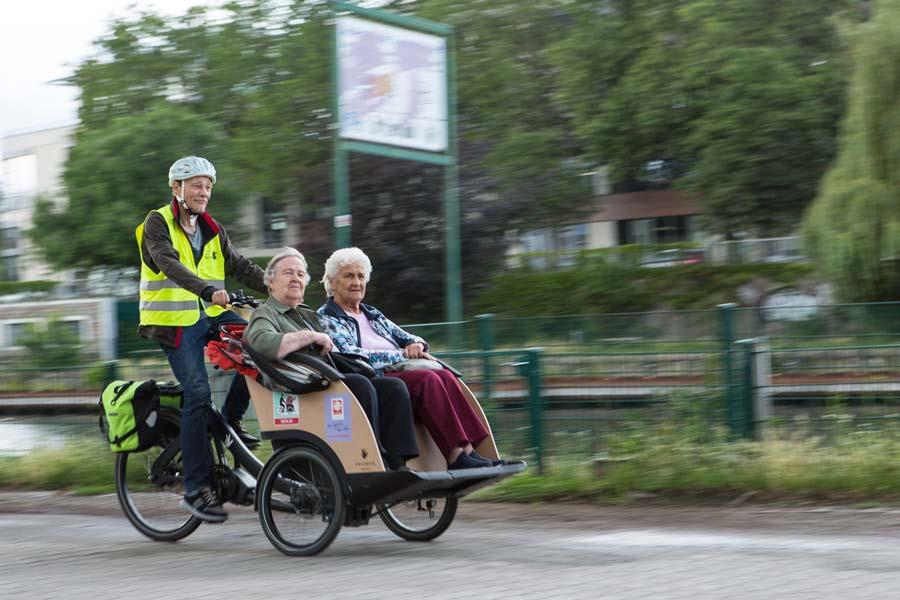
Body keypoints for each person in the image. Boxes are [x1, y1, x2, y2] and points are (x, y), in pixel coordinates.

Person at [136, 156, 266, 523]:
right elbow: (168, 264)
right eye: (196, 184)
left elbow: (239, 265)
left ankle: (231, 421)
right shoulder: (157, 222)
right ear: (177, 188)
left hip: (207, 315)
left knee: (259, 346)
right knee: (196, 393)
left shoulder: (211, 227)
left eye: (208, 186)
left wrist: (279, 283)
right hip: (172, 322)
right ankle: (195, 489)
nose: (204, 192)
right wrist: (209, 290)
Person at [317, 247, 502, 470]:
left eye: (360, 276)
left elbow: (409, 337)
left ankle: (470, 451)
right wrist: (401, 354)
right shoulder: (328, 316)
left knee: (446, 376)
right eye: (348, 276)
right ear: (332, 282)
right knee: (428, 379)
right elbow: (350, 353)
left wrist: (416, 345)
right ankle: (455, 457)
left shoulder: (372, 314)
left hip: (403, 370)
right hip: (374, 375)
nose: (356, 282)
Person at [243, 247, 418, 470]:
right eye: (288, 273)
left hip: (326, 380)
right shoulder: (265, 313)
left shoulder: (306, 314)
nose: (296, 278)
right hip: (302, 387)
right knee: (361, 386)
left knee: (393, 387)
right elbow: (263, 343)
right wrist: (310, 336)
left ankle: (398, 463)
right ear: (270, 282)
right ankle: (373, 460)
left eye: (300, 274)